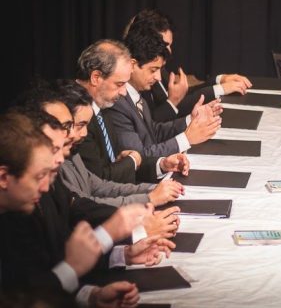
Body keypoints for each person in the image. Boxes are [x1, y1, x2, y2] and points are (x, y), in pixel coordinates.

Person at [0, 112, 148, 307]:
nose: (45, 187)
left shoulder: (17, 209)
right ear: (3, 178)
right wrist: (74, 266)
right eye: (39, 177)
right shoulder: (20, 213)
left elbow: (34, 280)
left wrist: (91, 295)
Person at [76, 39, 203, 183]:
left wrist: (162, 165)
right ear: (96, 78)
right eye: (119, 84)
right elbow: (99, 182)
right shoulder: (77, 117)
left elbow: (121, 162)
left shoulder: (102, 106)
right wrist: (132, 161)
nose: (124, 92)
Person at [55, 80, 185, 207]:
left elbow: (100, 186)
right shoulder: (58, 164)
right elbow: (86, 206)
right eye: (79, 125)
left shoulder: (74, 153)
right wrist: (149, 198)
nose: (84, 132)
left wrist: (154, 188)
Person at [106, 29, 222, 158]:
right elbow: (137, 157)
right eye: (153, 70)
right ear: (132, 65)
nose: (158, 77)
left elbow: (153, 132)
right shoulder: (117, 102)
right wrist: (186, 139)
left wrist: (191, 119)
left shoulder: (136, 94)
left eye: (159, 70)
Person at [125, 8, 252, 121]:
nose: (169, 51)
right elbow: (152, 124)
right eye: (164, 45)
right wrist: (220, 89)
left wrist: (219, 80)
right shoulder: (138, 74)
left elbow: (181, 94)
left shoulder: (156, 68)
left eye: (169, 45)